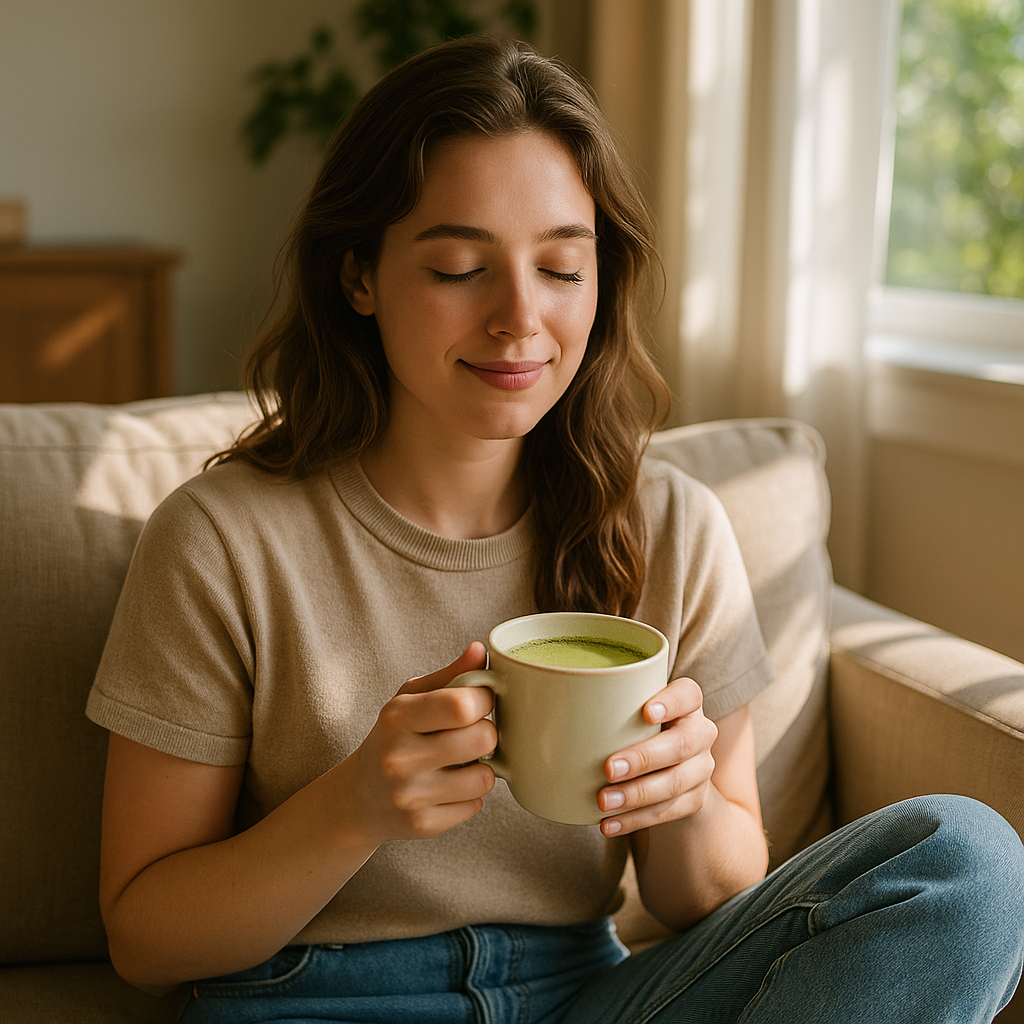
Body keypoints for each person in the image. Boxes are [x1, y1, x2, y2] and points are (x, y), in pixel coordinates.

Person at [87, 35, 1024, 1024]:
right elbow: (147, 941)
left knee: (966, 864)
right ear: (358, 274)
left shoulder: (670, 523)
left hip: (591, 993)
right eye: (458, 267)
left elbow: (707, 894)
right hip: (316, 999)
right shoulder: (222, 539)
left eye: (561, 268)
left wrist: (683, 795)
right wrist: (354, 805)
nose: (519, 317)